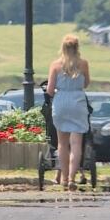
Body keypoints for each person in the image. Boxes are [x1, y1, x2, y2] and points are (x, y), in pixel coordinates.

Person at [46, 34, 90, 192]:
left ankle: (64, 178)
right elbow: (86, 83)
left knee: (62, 143)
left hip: (61, 102)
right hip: (77, 101)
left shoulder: (56, 65)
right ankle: (72, 177)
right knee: (76, 143)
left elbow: (50, 90)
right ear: (77, 47)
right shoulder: (83, 64)